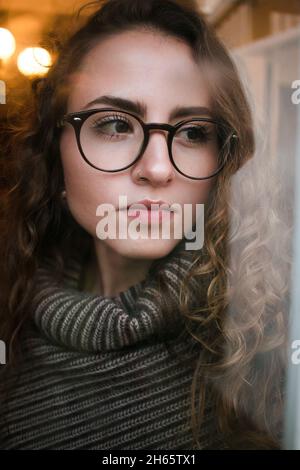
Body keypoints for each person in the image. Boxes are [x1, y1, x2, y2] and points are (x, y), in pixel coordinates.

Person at [0, 0, 283, 450]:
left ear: (224, 160)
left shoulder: (267, 338)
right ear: (56, 152)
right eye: (114, 124)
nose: (156, 168)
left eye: (192, 132)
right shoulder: (11, 310)